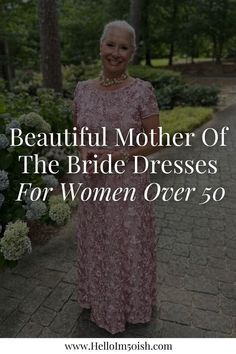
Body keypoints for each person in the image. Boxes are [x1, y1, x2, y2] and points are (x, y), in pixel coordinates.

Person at [72, 20, 160, 335]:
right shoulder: (82, 89)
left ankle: (130, 304)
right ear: (100, 46)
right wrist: (84, 152)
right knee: (97, 241)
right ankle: (97, 297)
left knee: (126, 244)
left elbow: (155, 140)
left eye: (124, 47)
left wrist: (118, 156)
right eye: (111, 45)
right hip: (94, 185)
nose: (115, 53)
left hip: (129, 187)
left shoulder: (142, 91)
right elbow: (78, 131)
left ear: (132, 53)